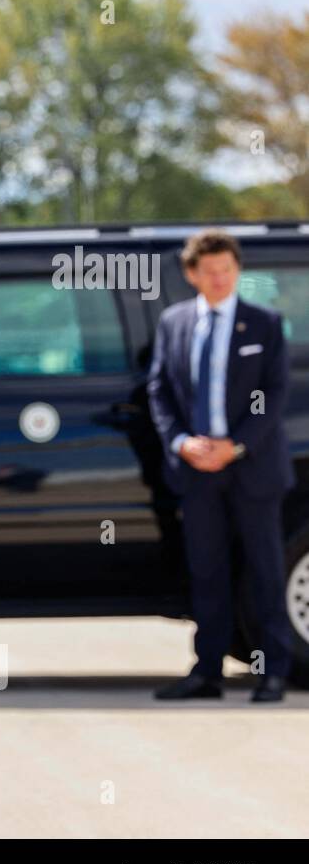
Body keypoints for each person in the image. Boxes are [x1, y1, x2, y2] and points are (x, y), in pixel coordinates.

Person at [148, 228, 293, 703]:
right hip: (196, 470)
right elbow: (160, 390)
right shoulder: (174, 322)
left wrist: (237, 445)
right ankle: (206, 672)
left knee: (266, 571)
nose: (218, 279)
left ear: (237, 271)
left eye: (226, 270)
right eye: (209, 271)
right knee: (206, 573)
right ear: (192, 274)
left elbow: (273, 395)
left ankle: (272, 672)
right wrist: (182, 442)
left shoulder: (265, 323)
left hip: (252, 467)